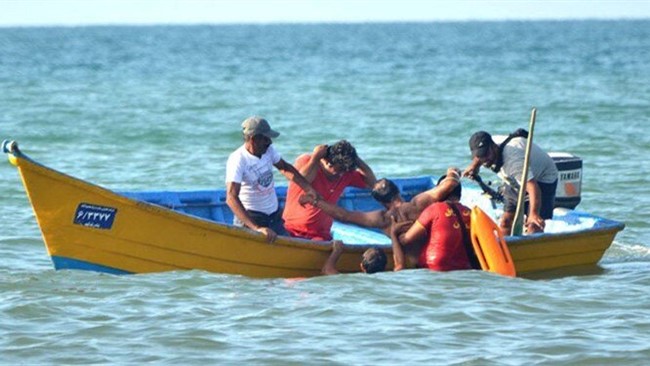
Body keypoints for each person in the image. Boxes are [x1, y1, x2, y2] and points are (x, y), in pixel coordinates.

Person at [302, 167, 462, 266]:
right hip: (436, 258)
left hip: (411, 266)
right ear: (398, 191)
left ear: (380, 202)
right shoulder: (418, 203)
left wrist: (316, 201)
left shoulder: (383, 219)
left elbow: (344, 215)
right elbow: (450, 184)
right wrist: (452, 172)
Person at [226, 116, 317, 243]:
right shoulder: (238, 159)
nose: (270, 142)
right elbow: (231, 198)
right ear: (253, 139)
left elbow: (285, 168)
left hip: (274, 216)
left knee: (288, 249)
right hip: (251, 219)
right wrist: (257, 228)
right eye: (265, 139)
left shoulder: (268, 150)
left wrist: (309, 189)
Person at [462, 130, 558, 235]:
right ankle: (506, 248)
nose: (484, 159)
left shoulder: (513, 161)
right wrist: (474, 166)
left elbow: (533, 187)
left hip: (542, 179)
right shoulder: (489, 145)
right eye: (480, 156)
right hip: (516, 180)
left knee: (534, 225)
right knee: (505, 222)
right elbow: (479, 155)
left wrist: (533, 214)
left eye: (486, 154)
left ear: (494, 146)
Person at [282, 140, 376, 241]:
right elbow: (301, 181)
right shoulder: (306, 161)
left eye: (343, 171)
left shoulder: (346, 173)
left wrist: (356, 159)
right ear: (327, 162)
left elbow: (372, 183)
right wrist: (315, 158)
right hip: (291, 229)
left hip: (320, 235)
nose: (340, 175)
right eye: (337, 170)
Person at [392, 175, 476, 271]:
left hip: (433, 264)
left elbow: (406, 239)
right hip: (463, 265)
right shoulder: (470, 212)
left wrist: (394, 232)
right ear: (460, 195)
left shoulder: (434, 209)